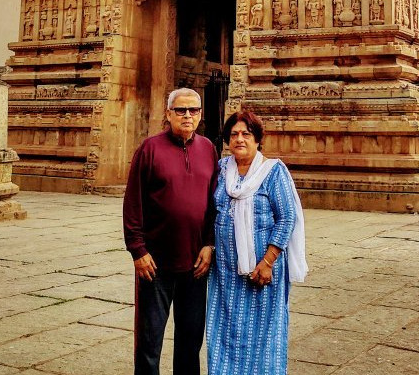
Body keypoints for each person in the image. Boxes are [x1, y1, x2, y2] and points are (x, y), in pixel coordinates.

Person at [123, 88, 218, 375]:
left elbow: (215, 203)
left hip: (195, 266)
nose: (187, 115)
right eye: (180, 110)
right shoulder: (150, 149)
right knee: (149, 342)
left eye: (193, 110)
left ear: (201, 115)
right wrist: (138, 250)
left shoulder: (209, 149)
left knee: (190, 342)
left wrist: (210, 244)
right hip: (156, 264)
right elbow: (133, 203)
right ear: (168, 114)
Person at [206, 110, 308, 375]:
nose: (239, 139)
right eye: (234, 134)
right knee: (224, 329)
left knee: (263, 333)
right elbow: (208, 211)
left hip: (263, 270)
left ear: (258, 139)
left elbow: (287, 218)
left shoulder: (273, 171)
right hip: (225, 271)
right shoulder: (220, 169)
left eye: (246, 134)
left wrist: (268, 261)